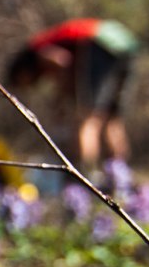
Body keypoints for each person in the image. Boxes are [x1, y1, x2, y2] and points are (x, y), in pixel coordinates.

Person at [8, 18, 139, 171]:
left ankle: (86, 175)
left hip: (98, 42)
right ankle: (120, 177)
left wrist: (61, 97)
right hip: (122, 41)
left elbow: (63, 61)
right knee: (112, 118)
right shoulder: (42, 46)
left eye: (22, 81)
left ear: (22, 70)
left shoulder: (37, 49)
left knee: (88, 118)